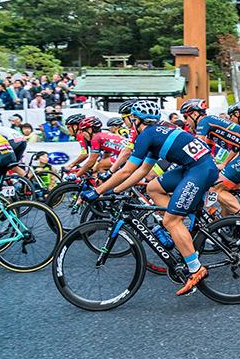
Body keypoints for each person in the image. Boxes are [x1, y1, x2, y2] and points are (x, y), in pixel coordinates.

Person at [85, 100, 219, 295]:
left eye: (131, 120)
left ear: (136, 120)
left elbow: (126, 171)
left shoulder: (146, 136)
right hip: (196, 167)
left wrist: (98, 192)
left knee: (170, 221)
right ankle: (185, 219)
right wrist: (114, 191)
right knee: (153, 187)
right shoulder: (155, 133)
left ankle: (195, 269)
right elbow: (143, 172)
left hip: (200, 170)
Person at [181, 99, 240, 218]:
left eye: (185, 117)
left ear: (195, 114)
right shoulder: (210, 125)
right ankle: (228, 223)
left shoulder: (204, 122)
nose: (185, 121)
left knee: (216, 189)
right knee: (225, 189)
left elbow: (197, 146)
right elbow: (207, 153)